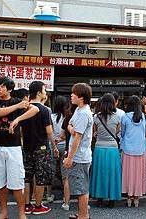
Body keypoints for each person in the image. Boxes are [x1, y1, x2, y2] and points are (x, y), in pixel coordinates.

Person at [0, 77, 39, 219]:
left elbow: (35, 109)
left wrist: (17, 119)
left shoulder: (16, 101)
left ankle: (21, 213)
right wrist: (17, 107)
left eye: (3, 87)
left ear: (9, 89)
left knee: (17, 182)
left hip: (13, 146)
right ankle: (4, 212)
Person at [20, 81, 56, 215]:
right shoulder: (44, 110)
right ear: (39, 93)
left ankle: (27, 205)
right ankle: (38, 205)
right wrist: (54, 145)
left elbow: (22, 132)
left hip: (27, 147)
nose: (45, 93)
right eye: (44, 90)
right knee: (41, 177)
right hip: (41, 148)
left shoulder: (25, 108)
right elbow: (49, 131)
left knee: (27, 177)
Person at [63, 83, 93, 219]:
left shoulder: (83, 113)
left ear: (81, 97)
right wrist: (71, 129)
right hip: (80, 155)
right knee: (80, 187)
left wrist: (70, 158)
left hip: (80, 156)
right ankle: (83, 213)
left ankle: (83, 216)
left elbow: (77, 139)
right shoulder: (79, 110)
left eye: (73, 93)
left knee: (81, 189)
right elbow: (70, 125)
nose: (71, 95)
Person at [89, 93, 121, 208]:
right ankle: (112, 200)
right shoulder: (117, 117)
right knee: (112, 174)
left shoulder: (96, 117)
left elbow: (94, 132)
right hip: (113, 149)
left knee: (99, 173)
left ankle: (99, 199)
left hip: (99, 148)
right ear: (113, 103)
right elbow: (117, 132)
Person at [121, 95, 146, 208]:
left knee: (128, 174)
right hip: (141, 149)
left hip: (128, 149)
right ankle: (137, 198)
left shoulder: (125, 117)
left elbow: (122, 133)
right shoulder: (144, 117)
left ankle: (128, 198)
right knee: (138, 174)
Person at [51, 96, 71, 211]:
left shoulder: (51, 116)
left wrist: (54, 143)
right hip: (65, 145)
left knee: (51, 171)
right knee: (65, 175)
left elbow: (49, 132)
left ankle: (49, 195)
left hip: (53, 146)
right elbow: (65, 134)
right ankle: (65, 198)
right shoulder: (68, 117)